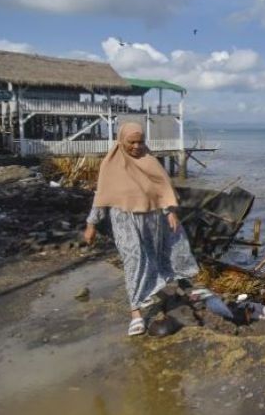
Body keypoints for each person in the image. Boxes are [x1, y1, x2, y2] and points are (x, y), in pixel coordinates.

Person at [84, 122, 199, 336]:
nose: (137, 146)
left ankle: (171, 288)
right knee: (134, 259)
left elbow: (162, 188)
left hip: (153, 219)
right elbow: (101, 197)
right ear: (121, 140)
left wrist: (170, 211)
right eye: (132, 142)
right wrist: (92, 224)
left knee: (161, 255)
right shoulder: (111, 164)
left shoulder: (150, 161)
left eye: (140, 142)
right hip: (125, 220)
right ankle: (135, 312)